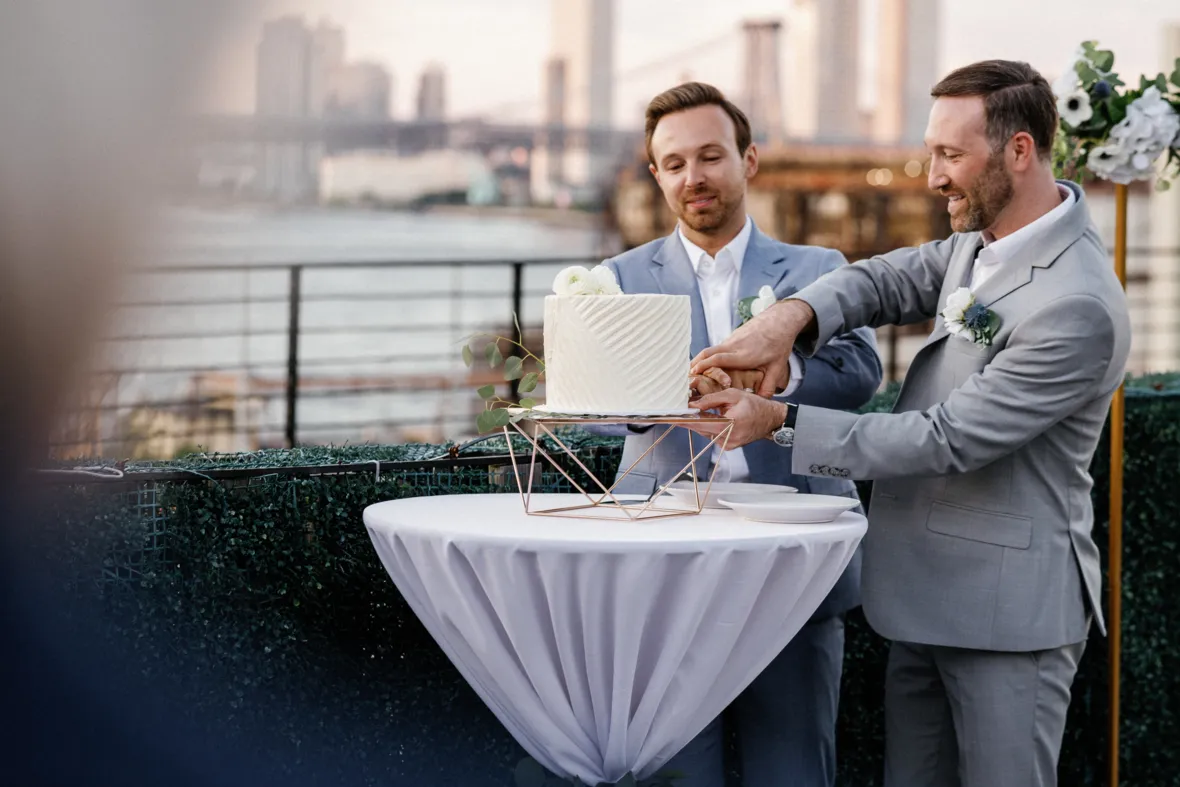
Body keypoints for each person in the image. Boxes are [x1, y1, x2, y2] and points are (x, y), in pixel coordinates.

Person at [687, 60, 1131, 787]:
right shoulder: (979, 241)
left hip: (1006, 619)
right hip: (923, 601)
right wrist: (786, 321)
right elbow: (881, 279)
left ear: (1019, 151)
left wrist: (779, 421)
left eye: (951, 155)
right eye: (932, 152)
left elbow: (944, 438)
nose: (931, 177)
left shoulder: (1076, 304)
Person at [597, 82, 882, 787]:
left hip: (795, 563)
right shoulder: (617, 279)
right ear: (656, 173)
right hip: (666, 568)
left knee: (793, 773)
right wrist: (657, 398)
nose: (694, 176)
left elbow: (861, 373)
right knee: (676, 773)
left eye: (710, 155)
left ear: (748, 160)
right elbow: (593, 403)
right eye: (674, 162)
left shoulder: (818, 271)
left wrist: (779, 382)